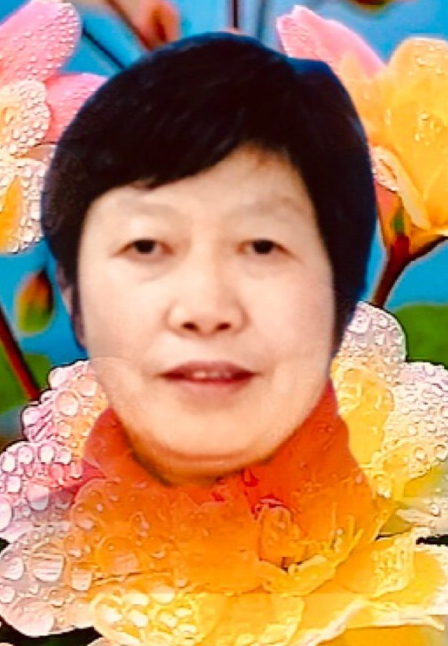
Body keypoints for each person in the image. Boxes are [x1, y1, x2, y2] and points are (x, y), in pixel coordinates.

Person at [41, 32, 376, 487]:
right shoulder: (46, 500)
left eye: (262, 247)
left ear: (343, 298)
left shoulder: (409, 499)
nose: (205, 310)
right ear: (71, 292)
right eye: (146, 246)